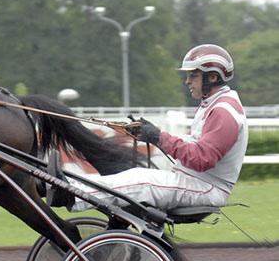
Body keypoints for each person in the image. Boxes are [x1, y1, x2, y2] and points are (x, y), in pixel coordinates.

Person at [47, 44, 248, 212]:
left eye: (193, 76)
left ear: (212, 77)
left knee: (142, 182)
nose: (187, 81)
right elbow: (195, 147)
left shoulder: (223, 111)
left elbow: (202, 159)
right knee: (133, 176)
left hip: (207, 188)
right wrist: (152, 133)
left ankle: (71, 194)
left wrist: (159, 137)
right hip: (196, 181)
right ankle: (70, 185)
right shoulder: (214, 104)